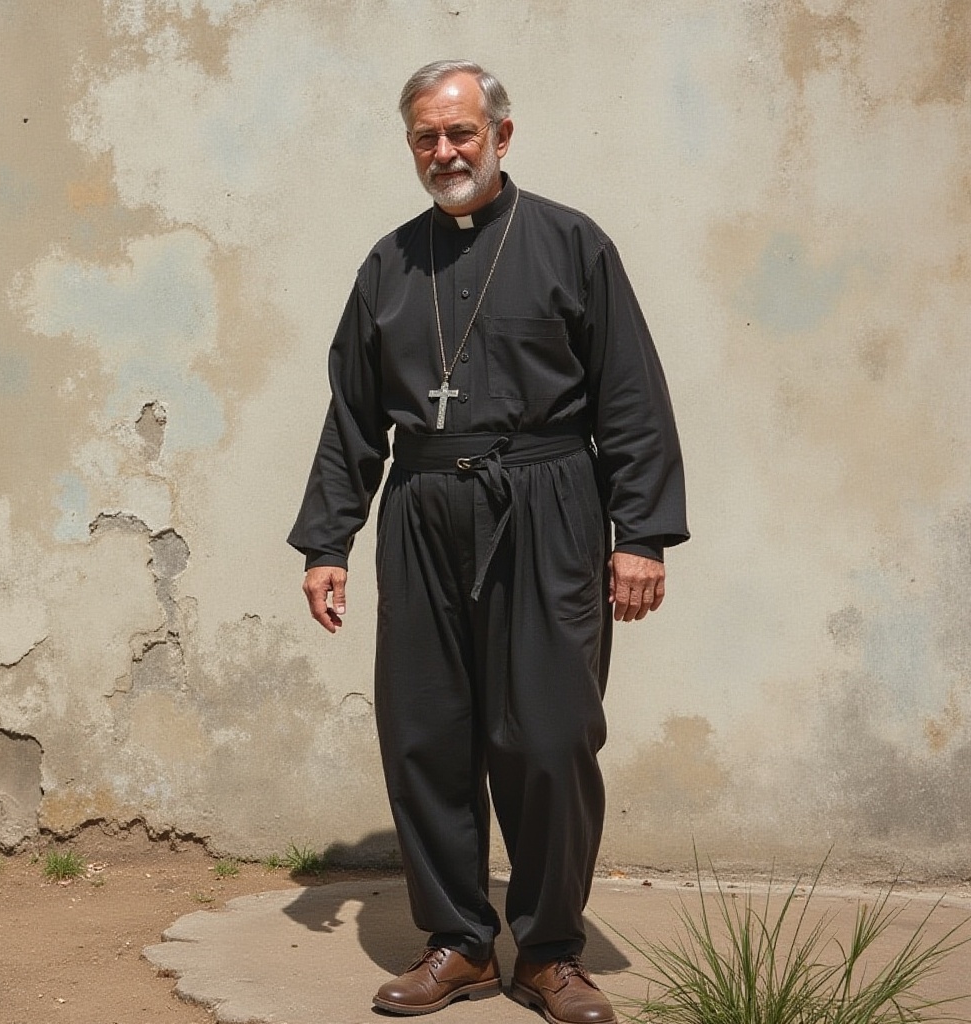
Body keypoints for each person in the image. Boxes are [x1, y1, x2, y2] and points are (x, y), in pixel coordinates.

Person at [287, 60, 688, 1022]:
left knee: (550, 738)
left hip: (546, 504)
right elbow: (352, 416)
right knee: (426, 735)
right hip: (423, 507)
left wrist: (641, 533)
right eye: (426, 137)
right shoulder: (389, 264)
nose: (445, 152)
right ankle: (460, 944)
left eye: (461, 132)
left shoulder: (572, 244)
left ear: (502, 136)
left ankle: (550, 954)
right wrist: (328, 543)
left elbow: (630, 395)